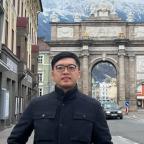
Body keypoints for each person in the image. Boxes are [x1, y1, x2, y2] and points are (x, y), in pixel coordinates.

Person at [7, 51, 113, 144]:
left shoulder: (93, 106)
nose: (65, 72)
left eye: (71, 67)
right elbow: (15, 140)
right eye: (60, 68)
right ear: (53, 74)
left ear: (79, 73)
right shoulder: (36, 104)